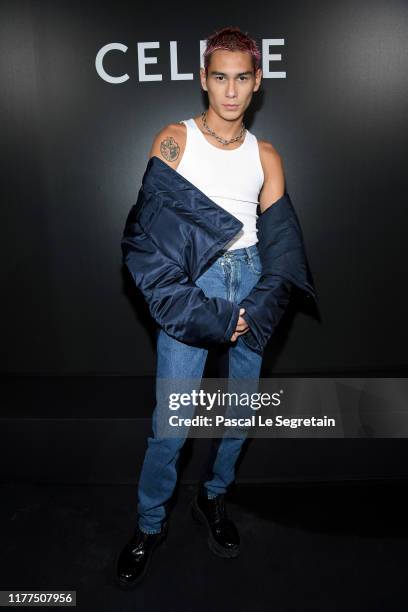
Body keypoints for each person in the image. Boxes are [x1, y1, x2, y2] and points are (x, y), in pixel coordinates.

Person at [116, 26, 295, 587]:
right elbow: (147, 244)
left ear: (257, 81)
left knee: (239, 418)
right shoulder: (175, 139)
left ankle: (213, 499)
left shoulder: (267, 155)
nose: (231, 91)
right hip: (191, 287)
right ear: (203, 80)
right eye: (221, 77)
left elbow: (284, 249)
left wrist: (255, 305)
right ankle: (149, 524)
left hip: (252, 281)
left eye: (242, 78)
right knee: (172, 423)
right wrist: (212, 311)